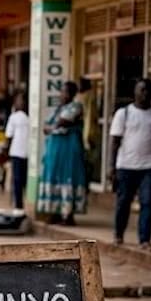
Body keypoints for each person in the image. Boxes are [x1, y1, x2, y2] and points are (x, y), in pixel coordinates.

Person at [38, 81, 88, 225]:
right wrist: (52, 127)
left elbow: (63, 122)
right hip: (55, 148)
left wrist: (52, 128)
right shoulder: (58, 108)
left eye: (66, 92)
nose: (63, 95)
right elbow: (46, 126)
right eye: (62, 91)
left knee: (68, 177)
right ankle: (55, 212)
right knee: (54, 176)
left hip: (69, 147)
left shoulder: (76, 106)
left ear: (72, 94)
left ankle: (68, 214)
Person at [111, 78, 151, 247]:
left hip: (148, 166)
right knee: (123, 202)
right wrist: (111, 168)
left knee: (148, 202)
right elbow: (115, 142)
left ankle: (144, 239)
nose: (145, 93)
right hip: (126, 166)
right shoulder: (124, 113)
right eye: (141, 90)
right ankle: (119, 234)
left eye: (147, 90)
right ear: (135, 92)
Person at [4, 92, 30, 210]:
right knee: (17, 179)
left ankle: (26, 202)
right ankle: (18, 204)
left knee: (25, 179)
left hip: (29, 152)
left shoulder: (31, 116)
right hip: (17, 151)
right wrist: (6, 151)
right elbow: (9, 135)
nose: (22, 103)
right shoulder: (14, 117)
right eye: (19, 100)